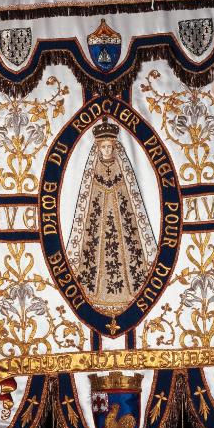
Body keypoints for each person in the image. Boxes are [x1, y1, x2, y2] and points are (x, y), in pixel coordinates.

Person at [66, 117, 157, 313]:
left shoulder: (122, 168)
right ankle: (94, 293)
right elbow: (87, 196)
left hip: (121, 217)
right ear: (98, 148)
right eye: (103, 147)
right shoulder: (92, 169)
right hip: (97, 217)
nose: (107, 151)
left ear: (114, 147)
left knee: (127, 249)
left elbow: (129, 196)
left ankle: (128, 292)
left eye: (109, 147)